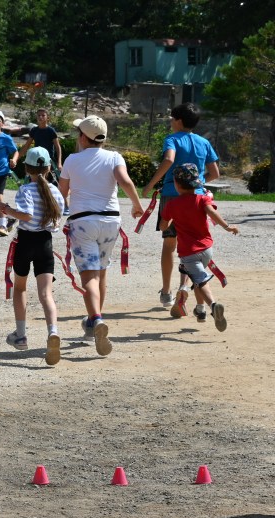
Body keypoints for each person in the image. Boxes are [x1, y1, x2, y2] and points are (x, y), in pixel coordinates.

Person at [58, 115, 144, 356]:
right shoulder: (114, 157)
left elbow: (61, 192)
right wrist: (137, 205)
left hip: (83, 221)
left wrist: (53, 213)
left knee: (89, 275)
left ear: (83, 137)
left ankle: (96, 318)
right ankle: (92, 324)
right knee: (102, 272)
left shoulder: (72, 160)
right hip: (110, 221)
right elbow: (125, 181)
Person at [141, 102, 220, 310]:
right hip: (197, 199)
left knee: (169, 245)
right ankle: (183, 286)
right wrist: (198, 183)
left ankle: (166, 292)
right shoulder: (204, 142)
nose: (170, 121)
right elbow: (215, 173)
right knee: (191, 244)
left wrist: (150, 184)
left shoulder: (172, 139)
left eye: (172, 118)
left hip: (171, 196)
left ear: (178, 121)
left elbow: (169, 159)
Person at [0, 147, 66, 366]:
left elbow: (26, 215)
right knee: (46, 293)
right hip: (45, 243)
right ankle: (53, 332)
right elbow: (58, 219)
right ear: (49, 168)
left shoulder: (25, 190)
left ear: (26, 169)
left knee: (20, 288)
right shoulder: (55, 191)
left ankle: (21, 335)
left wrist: (7, 210)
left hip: (26, 242)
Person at [158, 163, 239, 330]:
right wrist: (227, 227)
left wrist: (170, 219)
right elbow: (212, 213)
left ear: (176, 183)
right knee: (196, 278)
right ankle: (200, 310)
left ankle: (213, 305)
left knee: (201, 280)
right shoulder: (203, 199)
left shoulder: (172, 205)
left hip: (188, 253)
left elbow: (163, 226)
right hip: (207, 249)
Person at [19, 108, 64, 192]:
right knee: (34, 183)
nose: (40, 117)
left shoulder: (51, 131)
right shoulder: (34, 130)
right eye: (39, 115)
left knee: (49, 184)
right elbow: (26, 146)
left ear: (47, 117)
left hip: (48, 162)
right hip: (36, 161)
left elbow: (58, 147)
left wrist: (59, 162)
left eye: (43, 115)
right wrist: (16, 158)